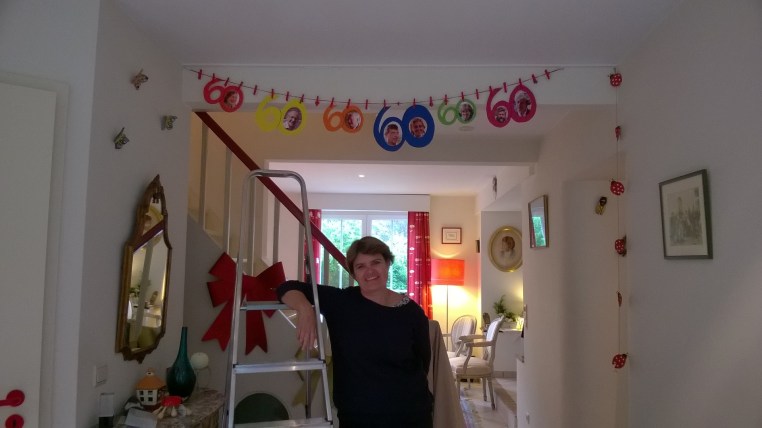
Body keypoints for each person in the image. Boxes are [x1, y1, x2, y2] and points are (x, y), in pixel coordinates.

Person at [277, 236, 433, 427]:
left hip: (411, 415)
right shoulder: (341, 302)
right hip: (358, 416)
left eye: (376, 262)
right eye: (361, 266)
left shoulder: (412, 312)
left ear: (387, 264)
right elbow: (286, 287)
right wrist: (304, 309)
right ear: (353, 273)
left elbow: (423, 362)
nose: (370, 271)